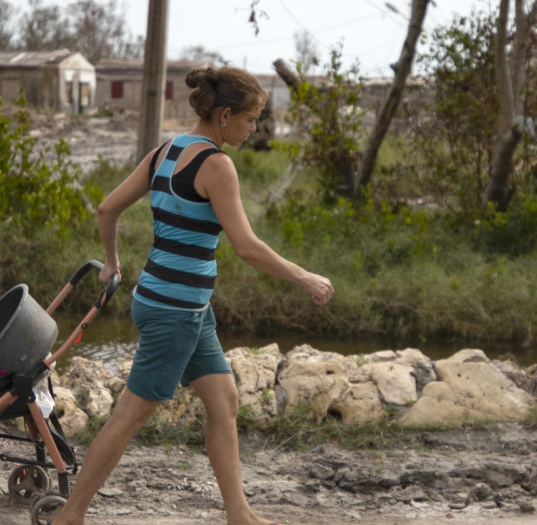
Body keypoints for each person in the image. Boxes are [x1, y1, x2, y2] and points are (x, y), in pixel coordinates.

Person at [52, 65, 335, 525]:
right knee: (129, 415)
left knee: (223, 400)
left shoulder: (167, 150)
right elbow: (246, 247)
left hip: (175, 303)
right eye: (250, 119)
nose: (254, 129)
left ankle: (239, 513)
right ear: (224, 115)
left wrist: (112, 261)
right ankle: (72, 514)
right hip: (175, 309)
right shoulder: (217, 165)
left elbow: (107, 208)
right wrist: (305, 278)